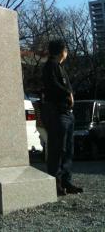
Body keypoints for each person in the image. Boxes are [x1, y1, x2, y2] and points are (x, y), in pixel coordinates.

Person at [42, 39, 83, 195]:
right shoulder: (50, 66)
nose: (67, 53)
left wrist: (70, 95)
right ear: (61, 51)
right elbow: (53, 86)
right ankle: (56, 183)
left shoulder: (59, 67)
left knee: (68, 149)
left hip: (66, 112)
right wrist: (68, 93)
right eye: (66, 50)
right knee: (58, 149)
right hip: (57, 112)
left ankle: (66, 180)